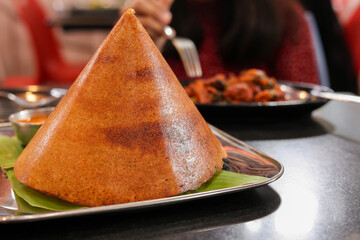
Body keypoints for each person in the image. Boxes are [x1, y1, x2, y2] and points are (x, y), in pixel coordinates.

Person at [121, 0, 319, 85]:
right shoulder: (144, 16)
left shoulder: (283, 15)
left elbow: (304, 95)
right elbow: (112, 106)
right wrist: (128, 48)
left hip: (267, 153)